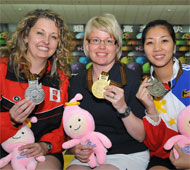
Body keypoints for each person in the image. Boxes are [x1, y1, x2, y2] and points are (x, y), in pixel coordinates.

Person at [67, 13, 149, 170]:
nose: (102, 47)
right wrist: (74, 148)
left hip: (127, 153)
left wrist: (123, 108)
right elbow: (69, 129)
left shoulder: (132, 80)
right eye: (96, 40)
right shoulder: (76, 82)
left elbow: (141, 136)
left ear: (117, 46)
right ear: (86, 44)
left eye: (109, 41)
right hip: (89, 154)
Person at [0, 9, 74, 169]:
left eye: (53, 36)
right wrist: (10, 120)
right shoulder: (2, 70)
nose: (46, 41)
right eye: (40, 33)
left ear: (58, 43)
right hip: (4, 150)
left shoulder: (61, 80)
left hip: (44, 152)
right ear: (25, 36)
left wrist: (45, 145)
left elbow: (62, 128)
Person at [136, 19, 190, 170]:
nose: (157, 48)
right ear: (144, 49)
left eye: (164, 40)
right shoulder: (144, 89)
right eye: (150, 42)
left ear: (174, 46)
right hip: (165, 155)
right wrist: (151, 109)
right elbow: (155, 145)